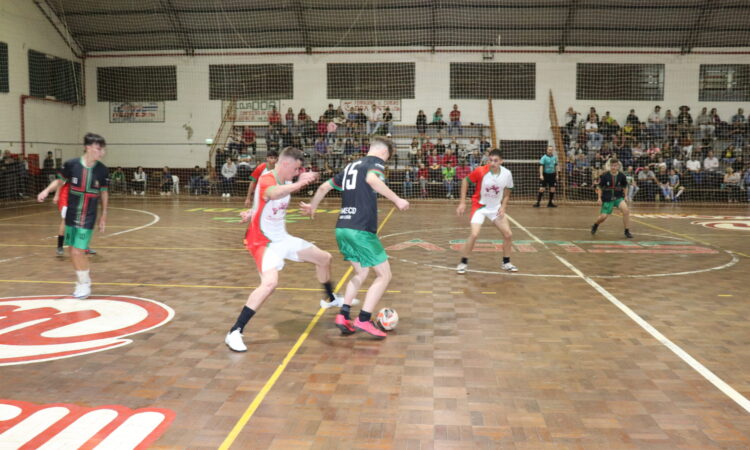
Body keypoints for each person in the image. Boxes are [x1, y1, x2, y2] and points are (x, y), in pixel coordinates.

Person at [225, 147, 345, 352]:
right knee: (270, 284)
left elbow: (264, 202)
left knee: (324, 258)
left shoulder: (288, 179)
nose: (297, 172)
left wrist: (252, 211)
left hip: (282, 238)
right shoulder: (267, 179)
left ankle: (331, 299)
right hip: (263, 242)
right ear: (286, 164)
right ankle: (235, 332)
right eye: (296, 168)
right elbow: (272, 193)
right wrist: (300, 183)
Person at [301, 137, 410, 338]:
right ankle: (364, 319)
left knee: (361, 273)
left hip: (342, 227)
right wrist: (397, 200)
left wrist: (312, 206)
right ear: (385, 153)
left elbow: (324, 187)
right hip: (360, 229)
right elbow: (372, 180)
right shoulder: (375, 163)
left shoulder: (352, 165)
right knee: (384, 275)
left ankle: (343, 316)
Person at [37, 133, 109, 299]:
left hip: (88, 215)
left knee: (78, 251)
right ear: (88, 147)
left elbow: (104, 193)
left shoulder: (102, 170)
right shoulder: (71, 164)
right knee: (72, 250)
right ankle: (81, 279)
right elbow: (59, 182)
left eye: (103, 149)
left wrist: (104, 215)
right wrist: (47, 190)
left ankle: (85, 284)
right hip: (71, 213)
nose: (102, 152)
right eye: (99, 149)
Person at [455, 149, 517, 274]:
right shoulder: (480, 171)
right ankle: (463, 262)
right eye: (490, 160)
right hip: (480, 207)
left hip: (495, 208)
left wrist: (503, 207)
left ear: (501, 161)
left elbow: (507, 191)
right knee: (474, 234)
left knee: (508, 234)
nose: (492, 163)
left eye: (496, 161)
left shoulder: (507, 174)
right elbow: (465, 181)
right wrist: (462, 202)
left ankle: (506, 262)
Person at [591, 159, 632, 239]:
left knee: (626, 210)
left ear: (618, 166)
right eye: (612, 166)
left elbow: (625, 186)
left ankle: (627, 231)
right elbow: (599, 187)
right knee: (603, 217)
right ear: (609, 166)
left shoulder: (622, 176)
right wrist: (599, 198)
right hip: (607, 198)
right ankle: (595, 225)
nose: (613, 167)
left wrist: (626, 196)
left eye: (615, 166)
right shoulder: (605, 176)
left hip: (618, 197)